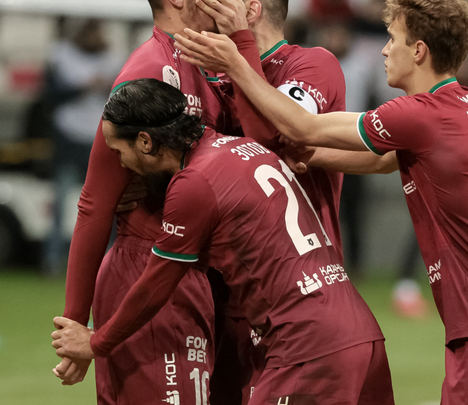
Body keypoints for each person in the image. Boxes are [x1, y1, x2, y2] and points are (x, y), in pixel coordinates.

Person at [175, 0, 468, 403]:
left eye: (393, 39)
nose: (384, 50)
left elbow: (303, 125)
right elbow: (383, 161)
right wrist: (305, 156)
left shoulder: (418, 115)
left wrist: (236, 61)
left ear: (419, 51)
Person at [52, 78, 394, 405]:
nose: (120, 164)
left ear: (145, 141)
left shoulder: (194, 183)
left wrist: (96, 343)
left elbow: (155, 285)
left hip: (306, 345)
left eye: (118, 150)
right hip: (361, 333)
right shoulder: (243, 147)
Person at [54, 0, 270, 405]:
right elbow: (95, 203)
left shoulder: (204, 65)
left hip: (186, 273)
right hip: (150, 273)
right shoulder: (149, 72)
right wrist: (76, 324)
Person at [193, 0, 348, 402]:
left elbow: (270, 145)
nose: (205, 12)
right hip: (222, 291)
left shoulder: (312, 63)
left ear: (250, 10)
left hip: (299, 292)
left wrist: (239, 49)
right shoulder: (209, 75)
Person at [43, 18, 123, 275]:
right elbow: (51, 94)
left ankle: (107, 262)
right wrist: (83, 87)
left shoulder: (113, 59)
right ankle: (53, 259)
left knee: (106, 204)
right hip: (69, 135)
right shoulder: (62, 56)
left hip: (98, 137)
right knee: (61, 204)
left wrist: (104, 86)